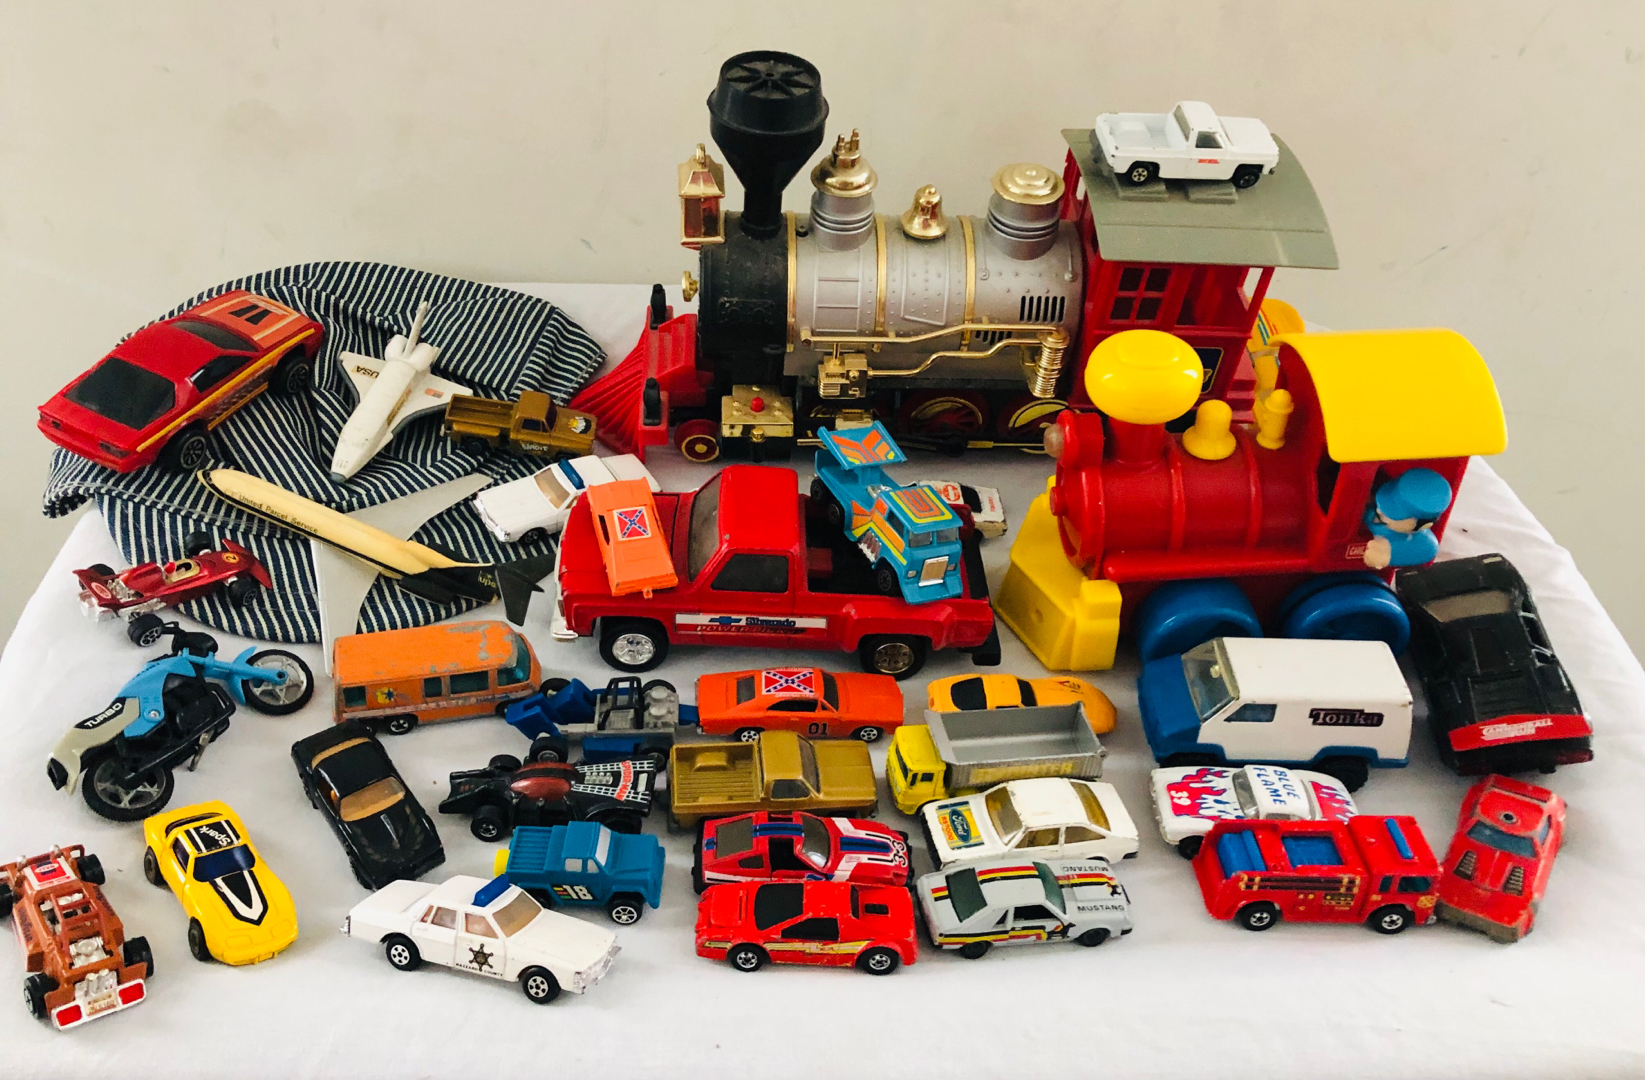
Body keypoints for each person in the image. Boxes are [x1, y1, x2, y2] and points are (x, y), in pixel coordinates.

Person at [1362, 468, 1453, 570]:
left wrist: (1387, 554)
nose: (1379, 511)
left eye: (1393, 514)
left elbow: (1426, 550)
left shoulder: (1424, 543)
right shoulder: (1375, 511)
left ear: (1424, 524)